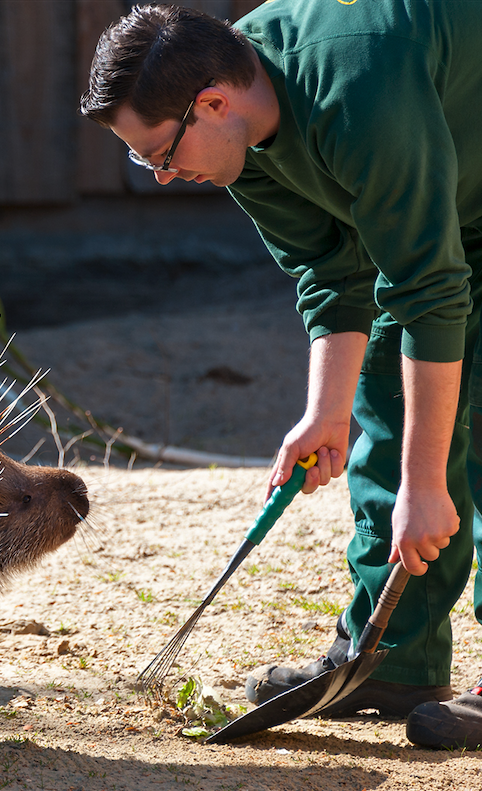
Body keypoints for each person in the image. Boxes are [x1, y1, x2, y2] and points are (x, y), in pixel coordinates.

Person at [80, 0, 482, 749]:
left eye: (159, 154)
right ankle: (393, 653)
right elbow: (333, 268)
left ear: (212, 104)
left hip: (463, 198)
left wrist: (426, 484)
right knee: (389, 407)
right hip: (443, 203)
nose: (162, 176)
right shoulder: (241, 135)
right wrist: (324, 411)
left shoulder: (356, 90)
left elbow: (429, 287)